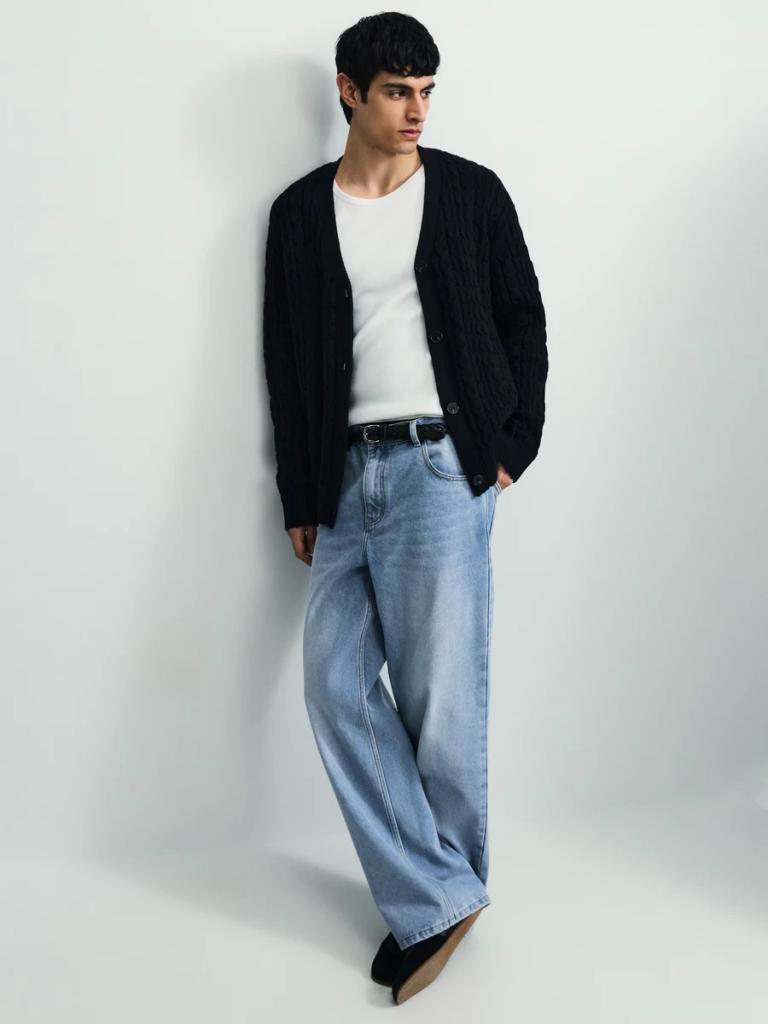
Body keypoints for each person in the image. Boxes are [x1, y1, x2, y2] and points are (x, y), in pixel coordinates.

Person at [262, 12, 548, 1005]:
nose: (416, 108)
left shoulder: (470, 193)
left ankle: (439, 897)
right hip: (345, 477)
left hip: (439, 467)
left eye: (426, 90)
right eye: (396, 91)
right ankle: (441, 893)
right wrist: (301, 490)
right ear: (349, 91)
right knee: (334, 685)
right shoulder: (300, 214)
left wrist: (511, 446)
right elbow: (287, 360)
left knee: (441, 701)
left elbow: (523, 319)